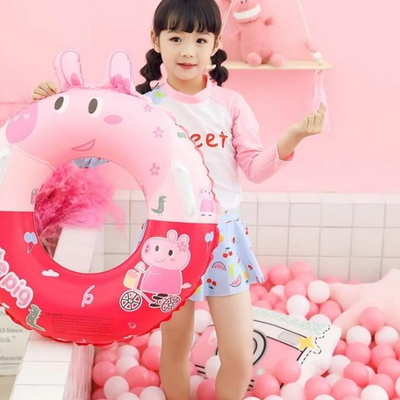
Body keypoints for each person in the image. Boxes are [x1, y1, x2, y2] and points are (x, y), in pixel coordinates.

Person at [32, 1, 326, 398]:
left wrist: (292, 138)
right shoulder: (143, 106)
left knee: (240, 356)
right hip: (167, 241)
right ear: (156, 41)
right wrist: (55, 110)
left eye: (200, 40)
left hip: (223, 239)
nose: (188, 50)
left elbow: (255, 169)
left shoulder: (230, 105)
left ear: (215, 45)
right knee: (175, 347)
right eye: (176, 38)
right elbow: (91, 155)